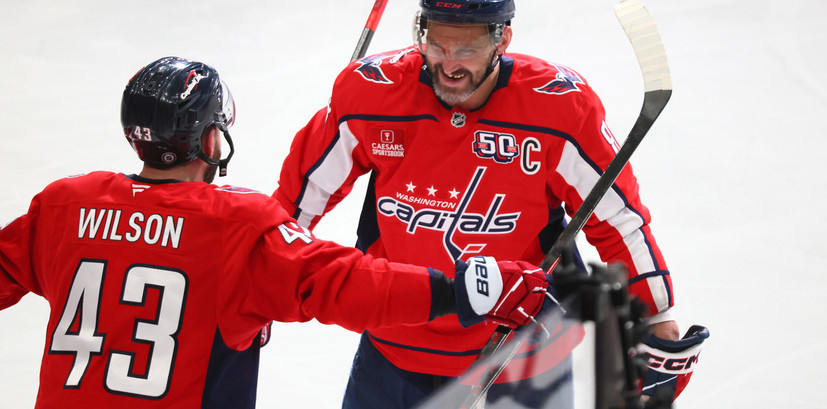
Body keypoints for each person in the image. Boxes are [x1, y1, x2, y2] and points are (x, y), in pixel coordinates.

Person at [0, 56, 559, 408]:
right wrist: (464, 288)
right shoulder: (235, 226)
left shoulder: (62, 206)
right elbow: (349, 283)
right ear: (211, 141)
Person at [274, 0, 698, 409]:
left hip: (525, 356)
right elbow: (300, 197)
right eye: (435, 46)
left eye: (467, 50)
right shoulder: (372, 93)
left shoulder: (559, 109)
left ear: (503, 39)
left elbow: (617, 221)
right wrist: (263, 272)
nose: (448, 66)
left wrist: (658, 316)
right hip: (395, 344)